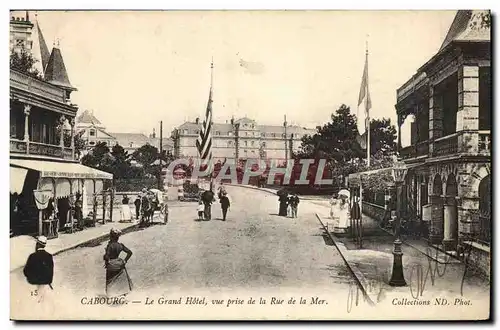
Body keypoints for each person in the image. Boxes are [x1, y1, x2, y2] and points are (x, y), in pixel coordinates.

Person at [23, 236, 54, 303]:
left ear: (37, 244)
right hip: (46, 286)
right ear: (44, 245)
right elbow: (51, 273)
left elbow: (25, 271)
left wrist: (32, 277)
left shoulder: (32, 256)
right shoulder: (49, 256)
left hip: (33, 286)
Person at [103, 228, 133, 297]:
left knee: (109, 281)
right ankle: (121, 292)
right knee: (121, 277)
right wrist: (125, 261)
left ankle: (110, 295)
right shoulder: (120, 245)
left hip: (111, 264)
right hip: (119, 263)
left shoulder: (110, 246)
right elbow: (130, 252)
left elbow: (107, 257)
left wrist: (106, 258)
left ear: (111, 237)